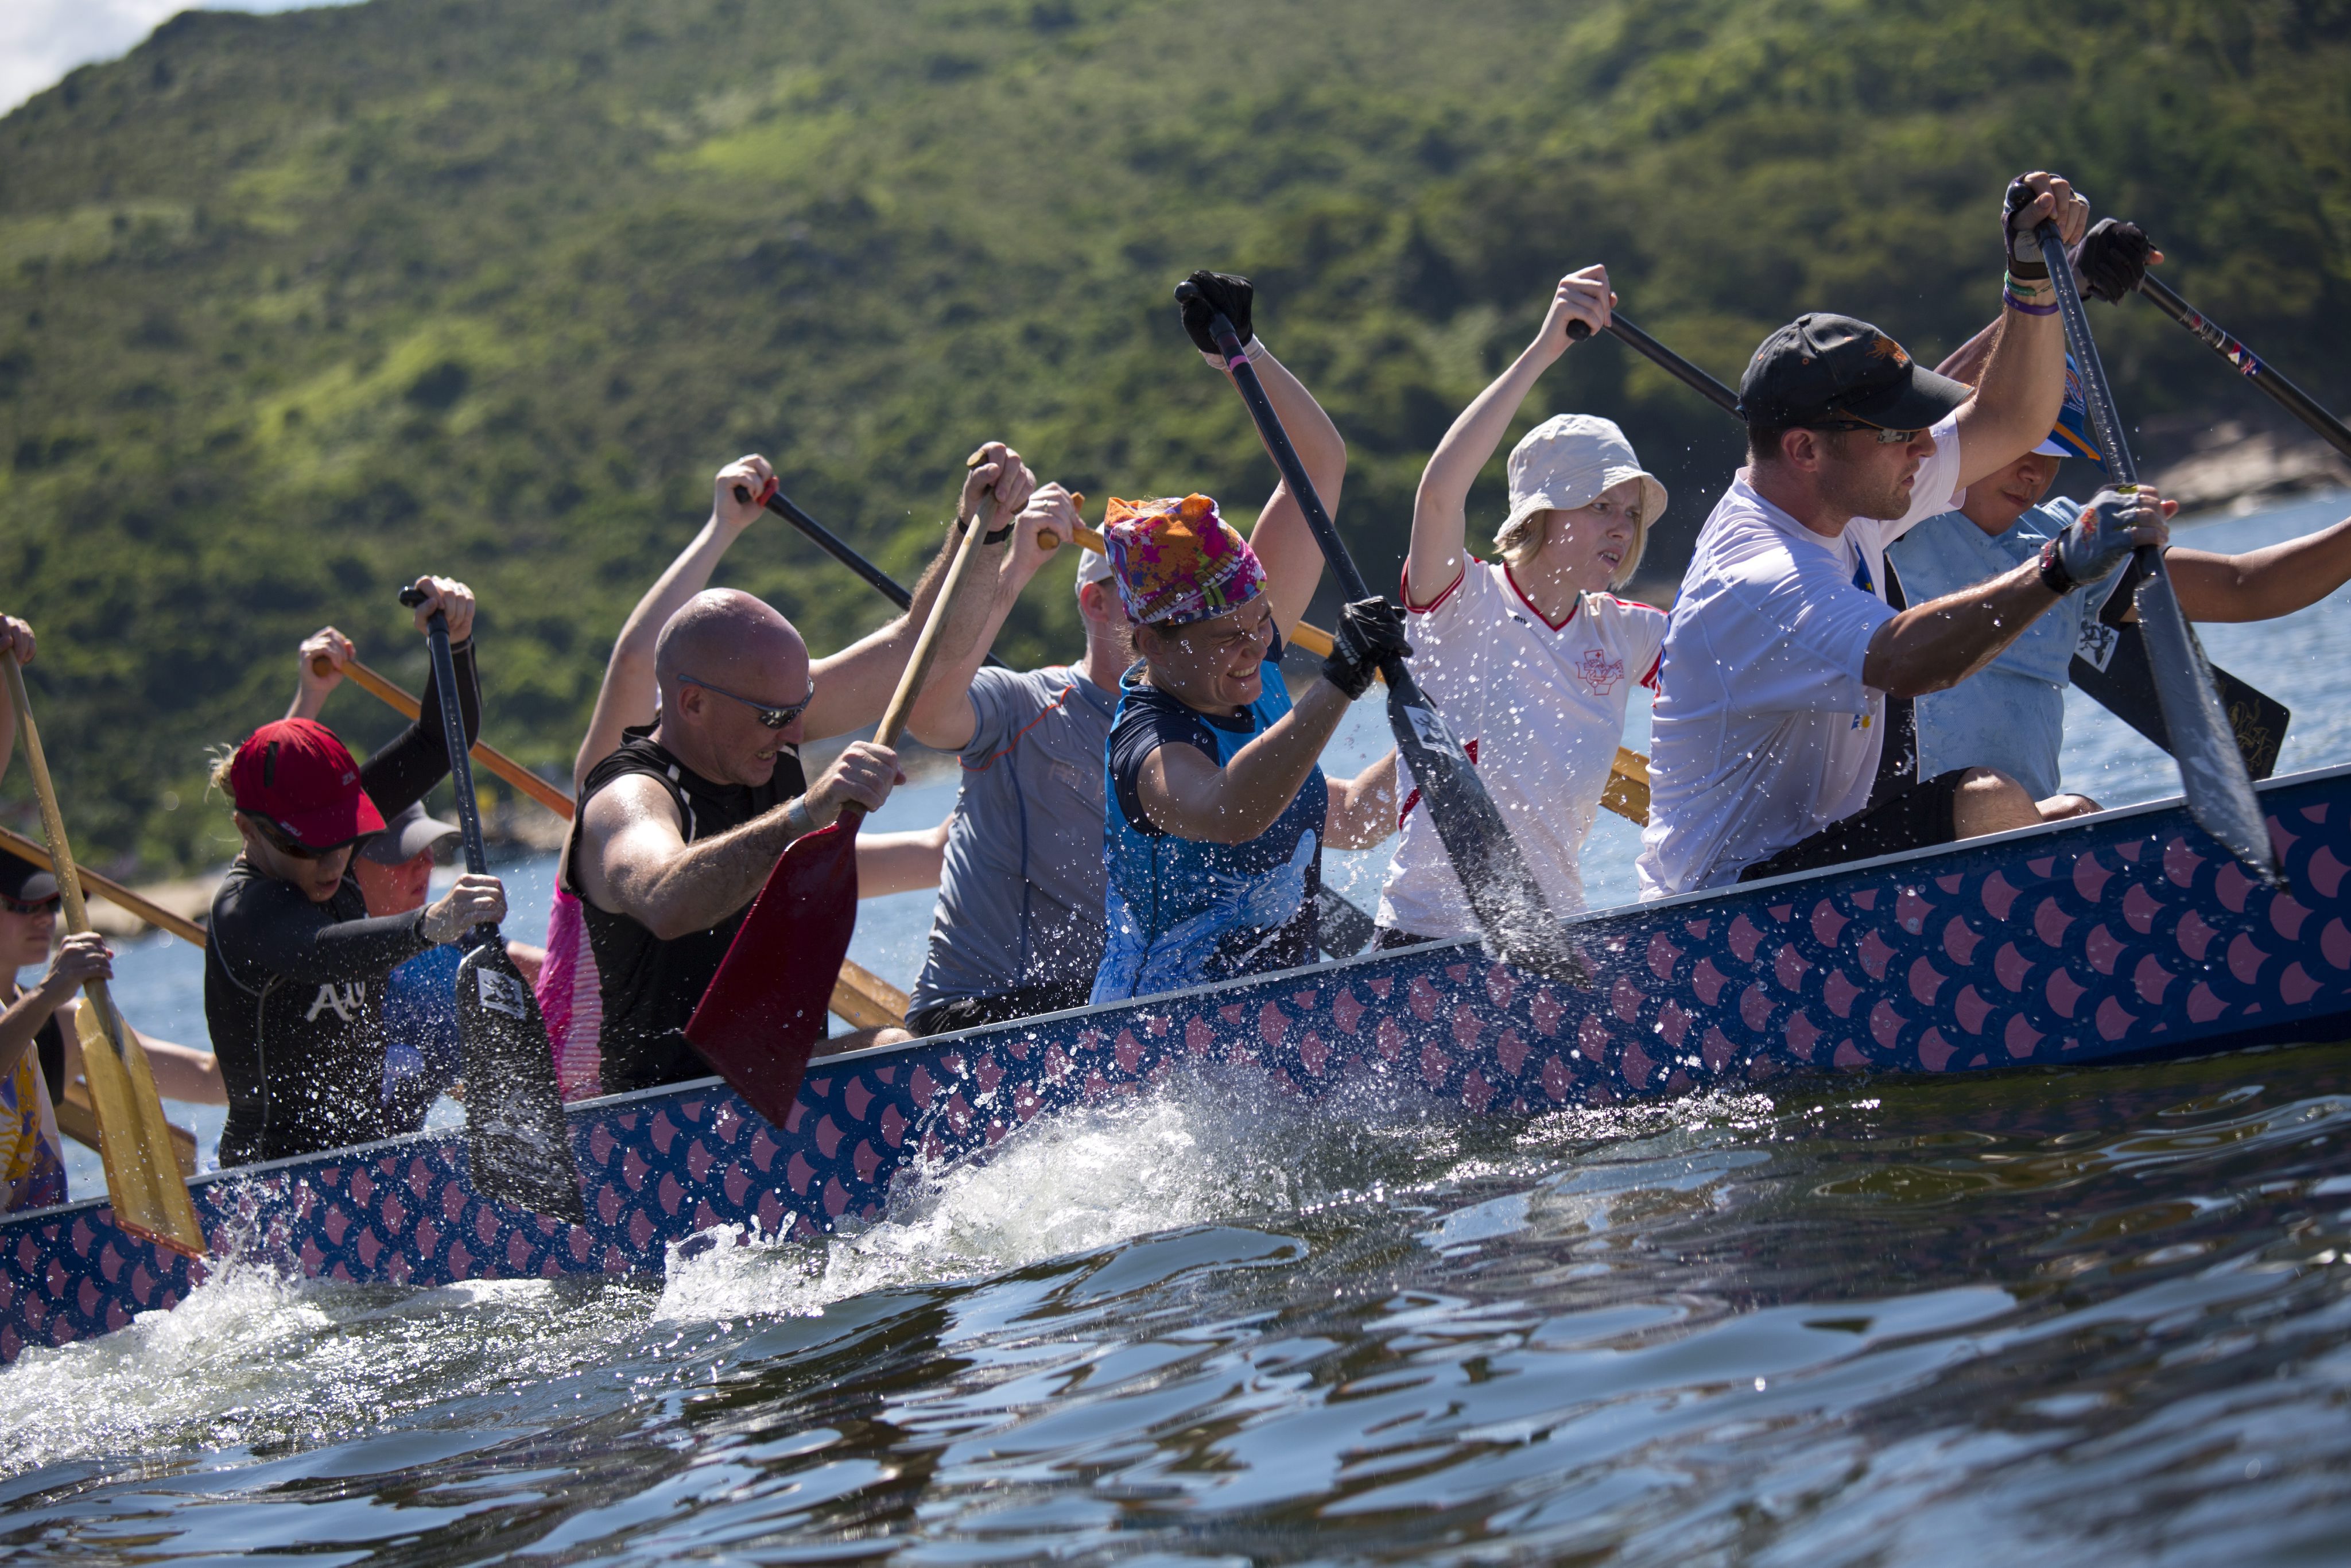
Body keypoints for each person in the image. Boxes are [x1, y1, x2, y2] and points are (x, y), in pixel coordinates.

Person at [1637, 172, 2174, 896]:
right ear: (1804, 449)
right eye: (1900, 433)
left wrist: (2032, 281)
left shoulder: (1850, 493)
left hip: (1816, 871)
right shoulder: (1760, 574)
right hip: (1728, 911)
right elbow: (1905, 662)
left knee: (2070, 816)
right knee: (1984, 797)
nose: (1924, 449)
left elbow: (2010, 419)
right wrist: (2057, 568)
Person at [565, 447, 1045, 1094]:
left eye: (800, 709)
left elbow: (920, 650)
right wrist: (807, 812)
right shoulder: (628, 796)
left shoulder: (765, 724)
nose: (795, 732)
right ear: (692, 703)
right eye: (773, 716)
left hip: (774, 1088)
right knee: (897, 1051)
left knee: (919, 1048)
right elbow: (664, 900)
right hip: (671, 1116)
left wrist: (980, 532)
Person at [1891, 287, 2351, 801]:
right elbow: (1915, 417)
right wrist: (2055, 289)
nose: (2035, 471)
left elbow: (2245, 586)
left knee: (2074, 809)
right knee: (2059, 807)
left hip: (2016, 836)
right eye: (2022, 443)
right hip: (1906, 834)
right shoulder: (1896, 516)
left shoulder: (2072, 539)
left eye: (2055, 451)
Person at [1091, 273, 1402, 1004]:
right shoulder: (1148, 741)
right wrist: (1339, 684)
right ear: (1154, 643)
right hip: (1156, 1051)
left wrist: (1244, 354)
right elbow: (1231, 813)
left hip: (1281, 1024)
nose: (1258, 644)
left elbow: (1318, 465)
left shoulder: (1246, 653)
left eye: (1265, 619)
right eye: (1230, 634)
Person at [1374, 263, 1668, 946]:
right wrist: (1546, 347)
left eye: (1629, 511)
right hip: (1426, 943)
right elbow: (1439, 493)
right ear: (1539, 512)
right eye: (1600, 506)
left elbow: (1743, 652)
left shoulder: (1624, 634)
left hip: (1549, 943)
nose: (1622, 527)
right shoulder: (1459, 603)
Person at [204, 577, 511, 1166]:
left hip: (367, 1168)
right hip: (271, 1188)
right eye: (309, 847)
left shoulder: (334, 825)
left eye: (344, 841)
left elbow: (442, 741)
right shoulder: (244, 910)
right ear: (248, 829)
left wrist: (454, 644)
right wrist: (433, 923)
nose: (332, 861)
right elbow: (322, 949)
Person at [897, 479, 1111, 1037]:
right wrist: (1015, 567)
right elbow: (928, 715)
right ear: (1096, 601)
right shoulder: (1024, 704)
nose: (1168, 607)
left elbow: (1345, 815)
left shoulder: (1183, 729)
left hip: (1102, 1002)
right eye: (1146, 588)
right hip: (987, 1011)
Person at [0, 856, 226, 1205]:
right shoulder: (49, 1005)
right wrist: (48, 993)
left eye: (51, 904)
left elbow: (209, 1080)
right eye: (21, 906)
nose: (45, 918)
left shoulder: (62, 1028)